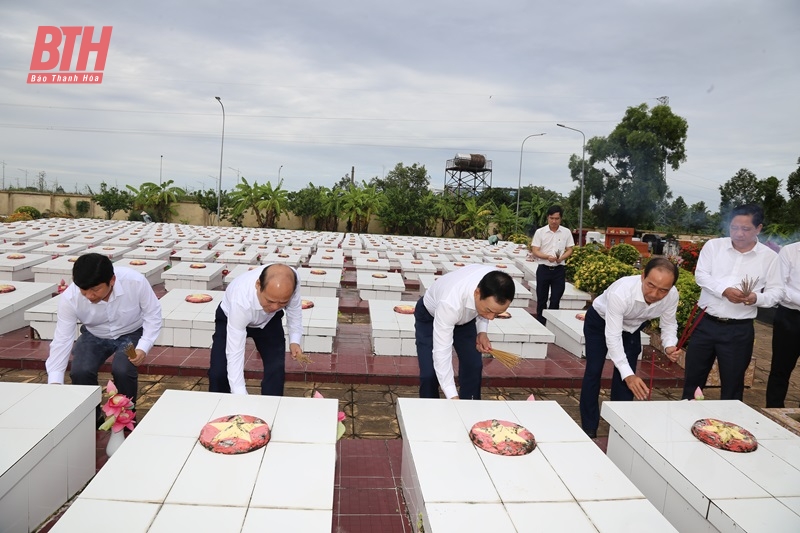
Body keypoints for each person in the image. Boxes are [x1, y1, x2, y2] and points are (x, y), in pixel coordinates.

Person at [681, 204, 782, 401]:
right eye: (734, 227)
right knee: (693, 380)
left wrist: (756, 298)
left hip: (738, 330)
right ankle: (685, 421)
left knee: (733, 386)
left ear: (758, 228)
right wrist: (724, 291)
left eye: (746, 229)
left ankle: (727, 427)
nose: (739, 233)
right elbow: (701, 275)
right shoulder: (714, 246)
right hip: (705, 323)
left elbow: (777, 292)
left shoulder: (769, 258)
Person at [46, 253, 162, 422]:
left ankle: (126, 418)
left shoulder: (135, 282)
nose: (90, 296)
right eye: (84, 291)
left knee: (123, 369)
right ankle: (91, 419)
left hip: (130, 332)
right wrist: (55, 381)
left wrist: (144, 346)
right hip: (94, 333)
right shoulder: (70, 298)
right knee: (80, 371)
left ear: (112, 280)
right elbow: (62, 339)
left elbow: (153, 314)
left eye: (95, 290)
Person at [579, 257, 683, 439]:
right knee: (594, 371)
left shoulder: (672, 295)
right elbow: (612, 337)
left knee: (626, 377)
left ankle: (620, 426)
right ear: (643, 276)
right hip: (599, 323)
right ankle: (589, 425)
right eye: (651, 285)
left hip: (632, 327)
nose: (655, 294)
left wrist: (669, 346)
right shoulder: (622, 292)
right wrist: (629, 375)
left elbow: (668, 324)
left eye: (663, 290)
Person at [414, 263, 515, 400]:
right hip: (429, 317)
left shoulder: (496, 281)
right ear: (477, 293)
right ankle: (431, 413)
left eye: (497, 314)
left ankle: (470, 409)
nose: (491, 318)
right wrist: (452, 396)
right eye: (489, 311)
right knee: (429, 374)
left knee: (473, 365)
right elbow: (442, 352)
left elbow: (486, 311)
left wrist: (482, 332)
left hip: (465, 320)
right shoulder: (450, 303)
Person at [208, 263, 304, 395]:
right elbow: (235, 351)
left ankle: (271, 407)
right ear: (258, 285)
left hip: (269, 321)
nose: (275, 307)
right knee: (219, 372)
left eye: (282, 303)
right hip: (229, 318)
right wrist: (241, 395)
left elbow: (294, 309)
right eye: (270, 301)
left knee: (275, 369)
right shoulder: (241, 300)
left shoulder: (292, 279)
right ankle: (221, 407)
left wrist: (295, 340)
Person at [766, 241, 799, 407]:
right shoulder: (790, 251)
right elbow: (780, 287)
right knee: (781, 368)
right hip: (790, 318)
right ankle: (773, 413)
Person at [530, 205, 575, 325]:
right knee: (542, 298)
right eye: (551, 218)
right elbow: (535, 250)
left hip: (559, 270)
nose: (554, 221)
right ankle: (540, 322)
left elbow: (570, 249)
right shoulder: (540, 232)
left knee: (556, 298)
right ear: (547, 218)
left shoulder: (566, 232)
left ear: (561, 219)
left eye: (557, 218)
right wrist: (546, 257)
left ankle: (552, 323)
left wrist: (562, 258)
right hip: (544, 269)